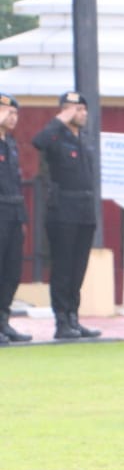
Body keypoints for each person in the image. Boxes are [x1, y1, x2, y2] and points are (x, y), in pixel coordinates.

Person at [31, 90, 100, 339]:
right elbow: (38, 142)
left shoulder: (84, 138)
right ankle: (61, 320)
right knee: (62, 268)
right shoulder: (54, 136)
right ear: (62, 110)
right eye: (74, 109)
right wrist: (61, 119)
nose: (80, 114)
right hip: (62, 211)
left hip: (84, 210)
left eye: (82, 109)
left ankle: (74, 317)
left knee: (77, 269)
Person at [0, 94, 30, 345]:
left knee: (11, 272)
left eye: (14, 113)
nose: (11, 117)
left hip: (12, 213)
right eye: (6, 111)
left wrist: (22, 219)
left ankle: (3, 322)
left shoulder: (10, 144)